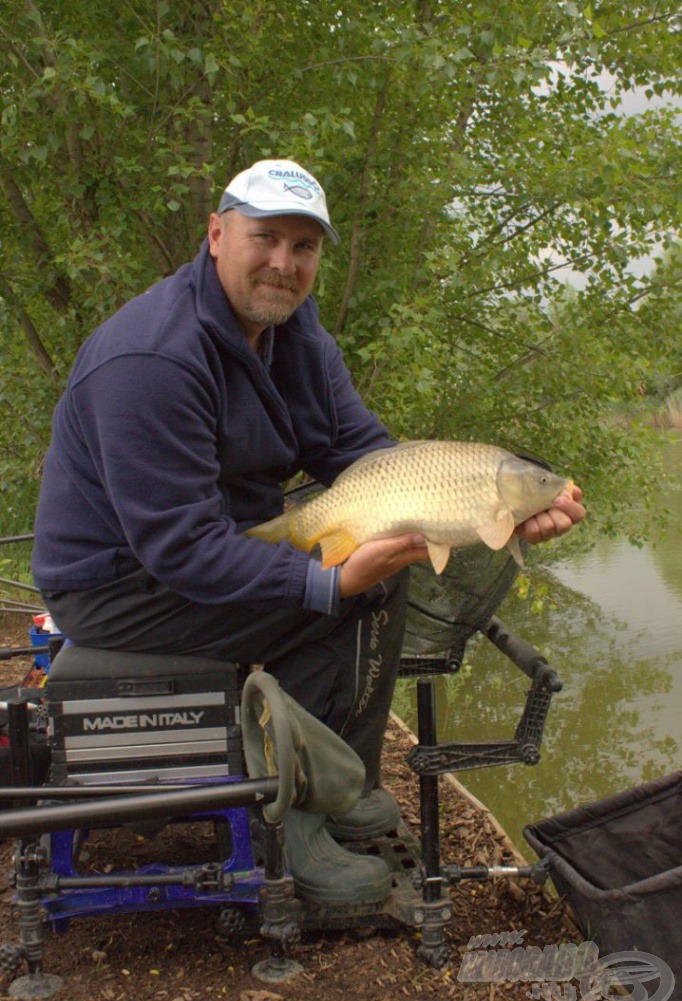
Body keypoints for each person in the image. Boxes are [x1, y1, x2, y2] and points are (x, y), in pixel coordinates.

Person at [31, 159, 585, 903]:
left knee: (380, 577)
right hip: (118, 581)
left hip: (224, 540)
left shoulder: (295, 338)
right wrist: (319, 580)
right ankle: (289, 826)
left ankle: (337, 788)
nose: (283, 264)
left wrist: (509, 503)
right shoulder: (154, 357)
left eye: (305, 247)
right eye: (266, 238)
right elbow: (180, 548)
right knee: (326, 604)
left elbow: (366, 456)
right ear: (217, 234)